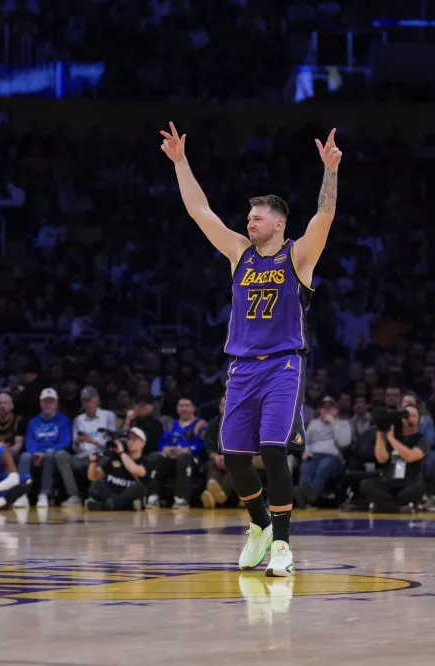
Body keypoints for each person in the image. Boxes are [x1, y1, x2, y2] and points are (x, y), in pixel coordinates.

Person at [162, 121, 341, 577]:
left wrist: (330, 171)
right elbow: (201, 211)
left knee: (273, 449)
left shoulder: (298, 256)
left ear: (278, 224)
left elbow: (324, 216)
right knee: (235, 457)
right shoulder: (239, 253)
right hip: (241, 366)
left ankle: (282, 545)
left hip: (283, 364)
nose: (249, 221)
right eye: (249, 217)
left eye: (258, 217)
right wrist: (181, 162)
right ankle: (260, 525)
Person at [358, 404, 429, 513]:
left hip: (409, 483)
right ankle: (398, 508)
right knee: (366, 484)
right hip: (389, 482)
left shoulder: (421, 439)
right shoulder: (392, 436)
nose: (409, 418)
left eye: (413, 416)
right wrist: (380, 432)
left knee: (419, 487)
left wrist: (391, 439)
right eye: (406, 415)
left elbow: (410, 456)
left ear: (419, 421)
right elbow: (381, 459)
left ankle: (384, 506)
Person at [146, 397, 207, 508]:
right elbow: (162, 442)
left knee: (184, 457)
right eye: (181, 406)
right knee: (154, 457)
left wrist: (186, 450)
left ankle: (181, 498)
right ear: (177, 409)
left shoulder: (201, 424)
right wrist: (166, 449)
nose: (184, 408)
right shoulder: (172, 425)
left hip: (193, 460)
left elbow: (201, 444)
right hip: (172, 459)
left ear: (193, 408)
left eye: (187, 406)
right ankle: (154, 495)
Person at [21, 388, 72, 508]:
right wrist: (36, 453)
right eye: (45, 401)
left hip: (53, 453)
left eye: (51, 401)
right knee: (24, 456)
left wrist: (44, 453)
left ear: (56, 404)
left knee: (49, 453)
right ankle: (21, 494)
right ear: (40, 404)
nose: (48, 404)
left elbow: (66, 441)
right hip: (36, 454)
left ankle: (44, 493)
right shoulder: (33, 422)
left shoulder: (64, 420)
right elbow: (29, 441)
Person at [86, 427, 150, 511]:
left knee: (138, 487)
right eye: (129, 438)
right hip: (113, 494)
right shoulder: (115, 457)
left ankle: (106, 506)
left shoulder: (146, 460)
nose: (131, 441)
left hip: (129, 493)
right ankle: (123, 505)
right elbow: (93, 477)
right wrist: (93, 462)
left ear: (143, 443)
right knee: (94, 487)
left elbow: (134, 470)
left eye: (135, 439)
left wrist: (122, 452)